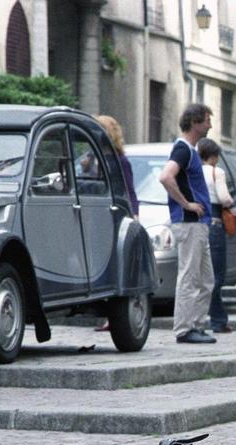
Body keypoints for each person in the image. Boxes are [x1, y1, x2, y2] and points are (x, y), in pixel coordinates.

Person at [158, 103, 216, 344]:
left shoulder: (189, 150)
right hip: (189, 222)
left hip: (198, 224)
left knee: (205, 278)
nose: (210, 125)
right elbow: (166, 176)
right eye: (206, 120)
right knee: (190, 276)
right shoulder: (183, 149)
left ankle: (197, 324)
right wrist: (186, 204)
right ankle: (184, 329)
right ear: (194, 123)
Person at [94, 115, 138, 332]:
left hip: (116, 217)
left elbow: (129, 190)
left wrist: (134, 215)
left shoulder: (120, 161)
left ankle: (115, 318)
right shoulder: (95, 158)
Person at [196, 138, 236, 334]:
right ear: (213, 156)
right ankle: (217, 320)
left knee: (200, 274)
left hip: (196, 223)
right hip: (214, 223)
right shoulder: (216, 172)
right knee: (217, 275)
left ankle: (209, 318)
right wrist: (232, 203)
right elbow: (224, 198)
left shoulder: (192, 171)